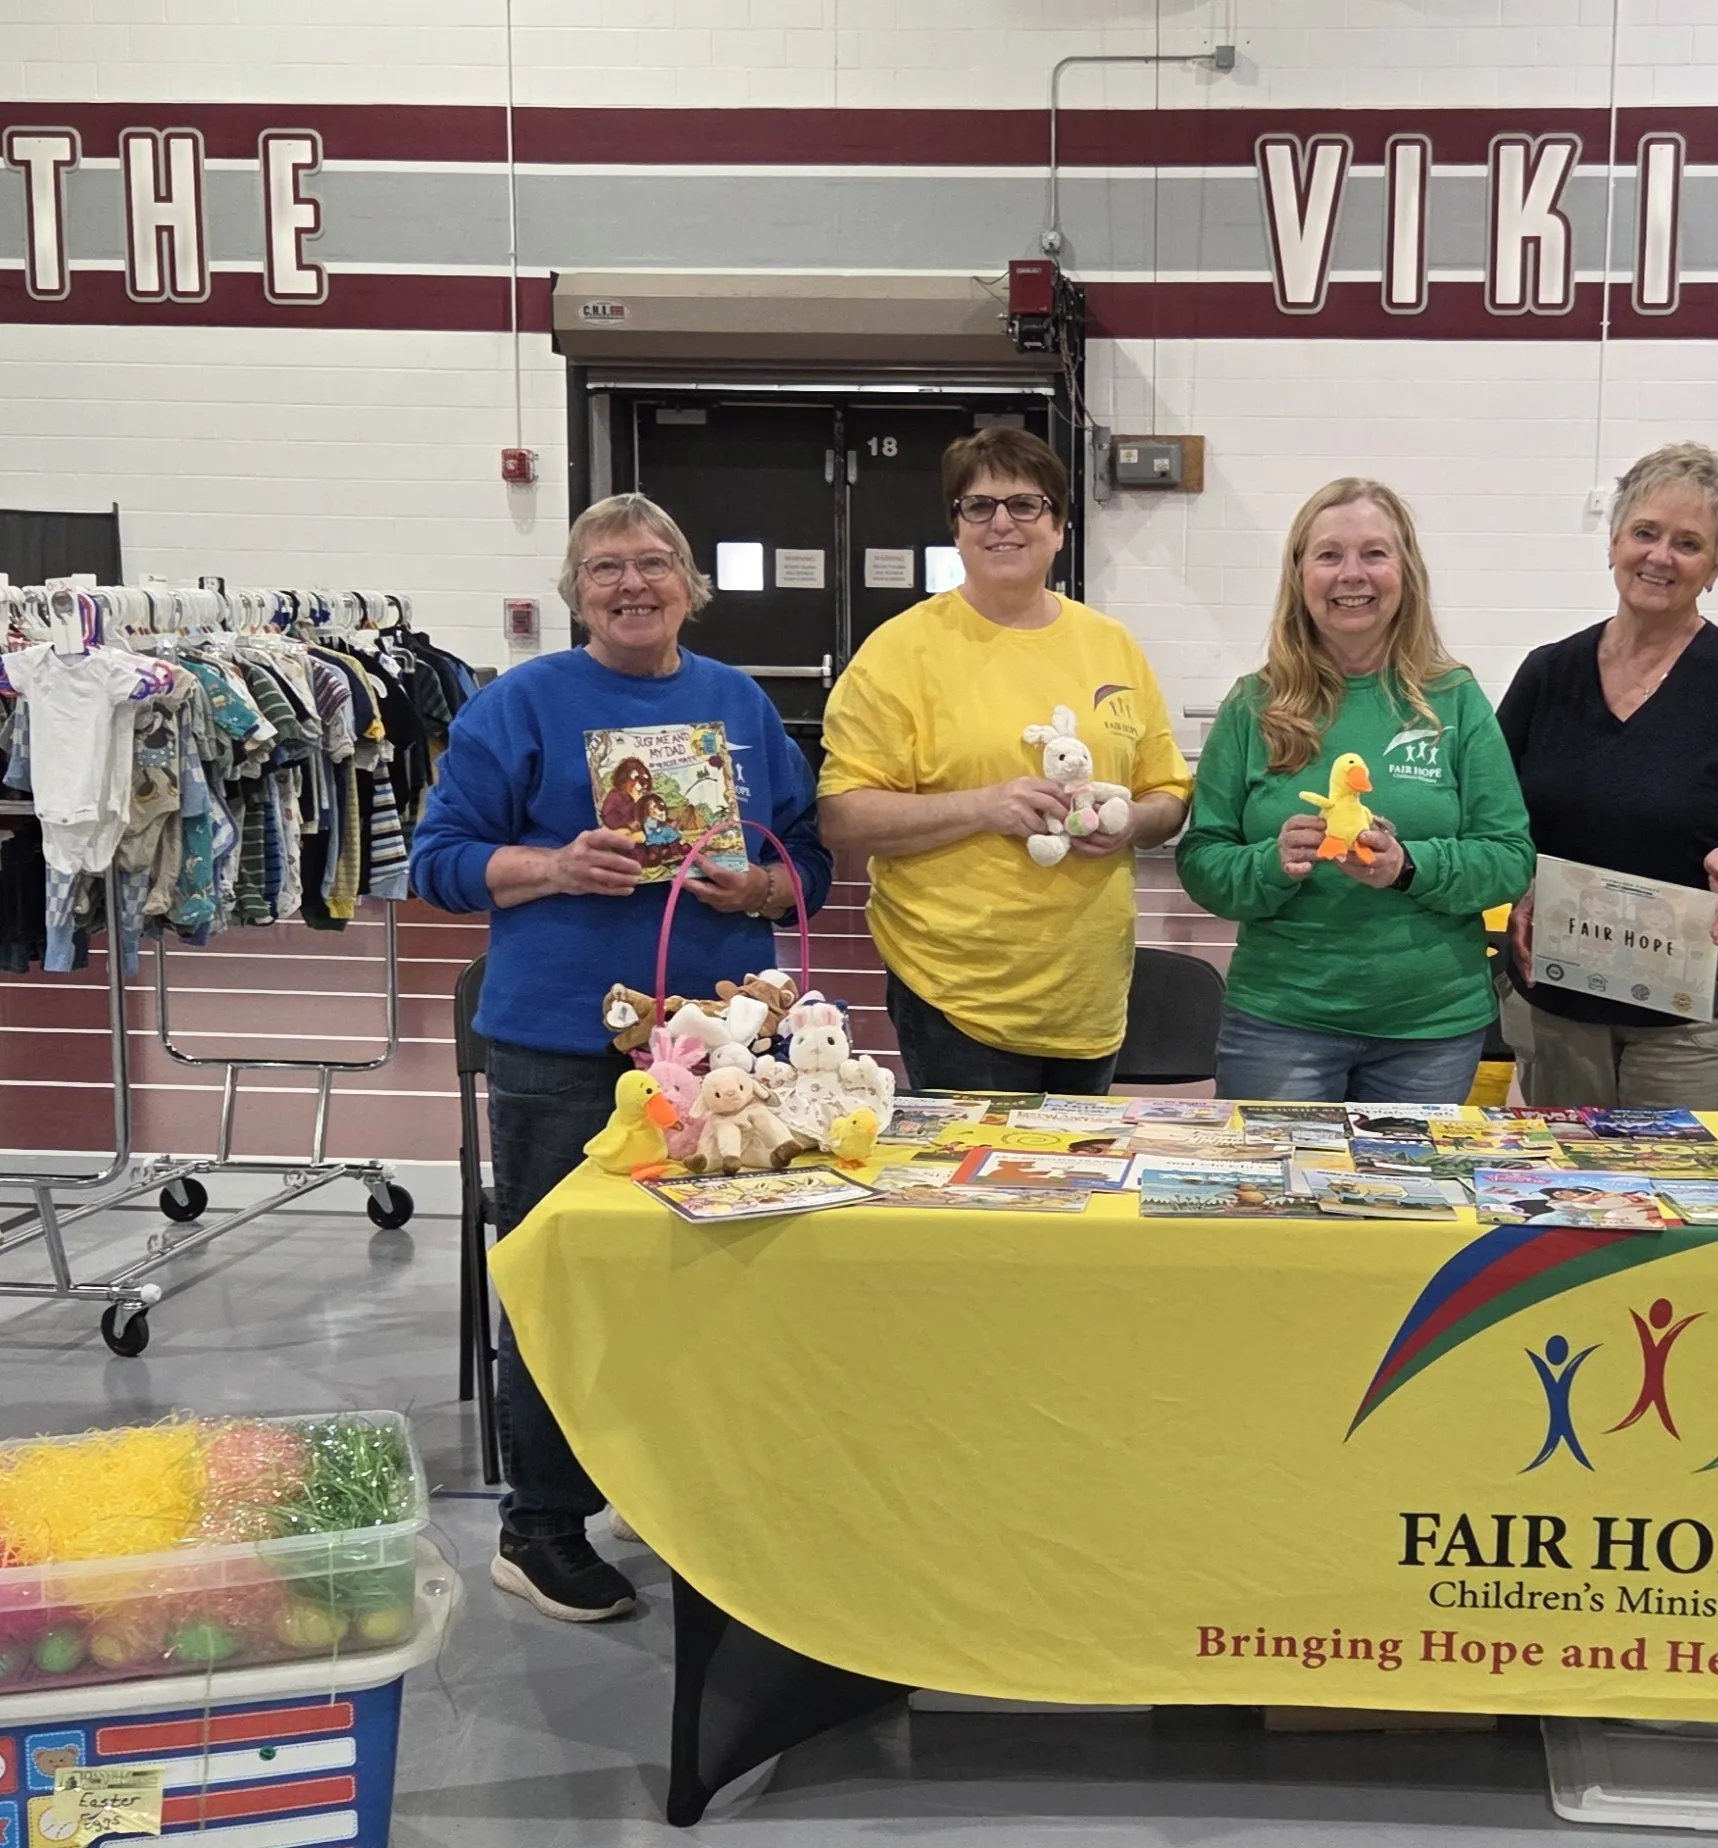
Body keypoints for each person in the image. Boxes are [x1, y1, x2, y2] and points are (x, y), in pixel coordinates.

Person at [409, 492, 831, 1623]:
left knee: (711, 1281)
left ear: (691, 583)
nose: (633, 584)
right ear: (575, 593)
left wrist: (765, 887)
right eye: (607, 569)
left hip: (721, 1049)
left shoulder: (739, 704)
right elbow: (435, 863)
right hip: (557, 1046)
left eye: (654, 563)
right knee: (563, 1283)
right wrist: (553, 868)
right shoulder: (519, 704)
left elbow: (810, 867)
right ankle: (538, 1527)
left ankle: (672, 1490)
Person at [818, 428, 1191, 1093]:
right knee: (979, 1196)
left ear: (1058, 527)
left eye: (1025, 505)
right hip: (958, 996)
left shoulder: (1111, 646)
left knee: (1077, 1189)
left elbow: (1168, 794)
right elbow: (843, 816)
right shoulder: (900, 651)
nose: (1001, 524)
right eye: (978, 506)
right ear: (955, 529)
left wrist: (1131, 822)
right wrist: (986, 805)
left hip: (1089, 996)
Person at [1178, 479, 1534, 1103]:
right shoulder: (1252, 705)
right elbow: (1203, 859)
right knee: (1273, 1200)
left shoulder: (1454, 700)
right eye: (1329, 555)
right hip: (1280, 1025)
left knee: (1407, 1203)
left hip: (1429, 1031)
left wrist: (1410, 866)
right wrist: (1271, 863)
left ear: (1406, 572)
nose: (1352, 574)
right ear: (1299, 575)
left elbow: (1508, 858)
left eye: (1374, 553)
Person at [1500, 443, 1718, 1110]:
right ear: (1614, 540)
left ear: (1715, 566)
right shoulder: (1547, 675)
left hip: (1702, 1023)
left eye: (1687, 543)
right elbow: (1495, 818)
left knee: (1682, 1208)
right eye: (1645, 532)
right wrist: (1520, 882)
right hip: (1561, 1004)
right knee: (1569, 1201)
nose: (1659, 556)